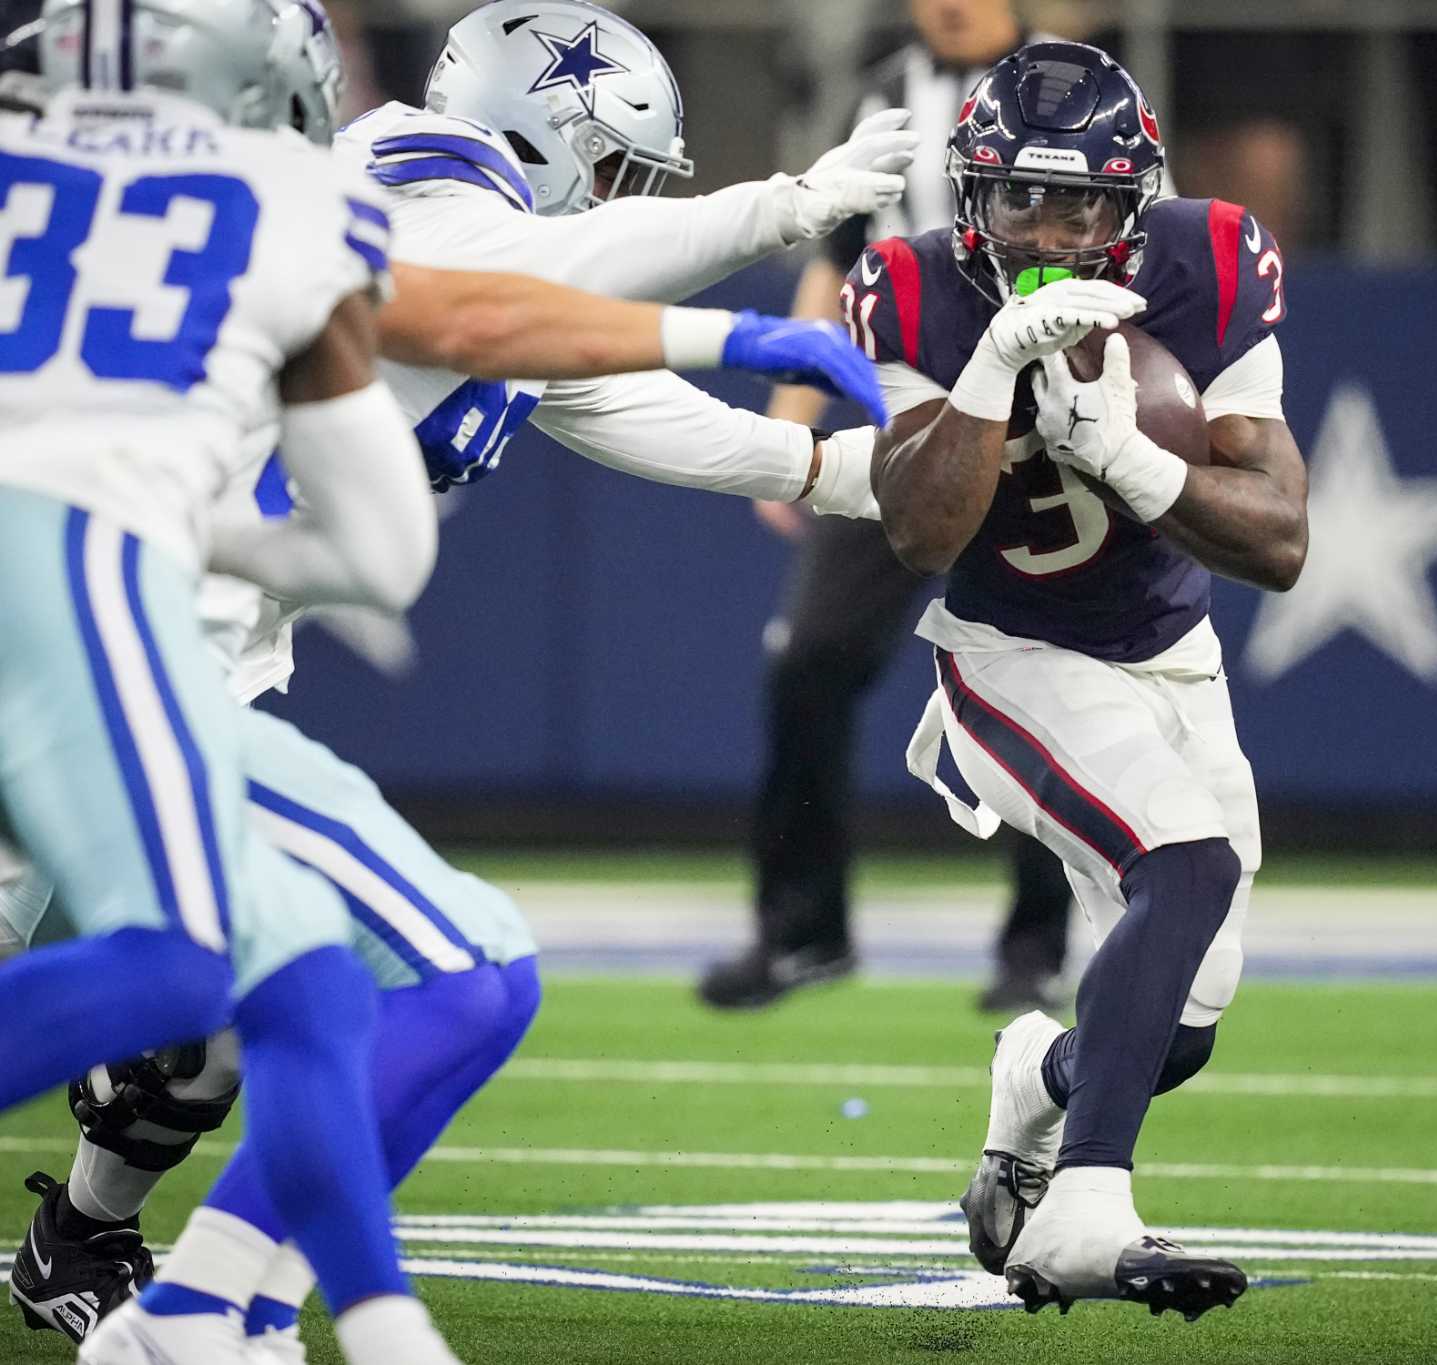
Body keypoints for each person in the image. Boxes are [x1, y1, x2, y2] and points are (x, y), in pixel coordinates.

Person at [5, 2, 907, 1357]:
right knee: (400, 970)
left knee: (279, 981)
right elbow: (522, 293)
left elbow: (564, 357)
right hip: (98, 643)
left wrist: (818, 470)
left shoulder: (340, 224)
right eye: (602, 162)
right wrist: (783, 212)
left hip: (174, 650)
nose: (607, 197)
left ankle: (145, 1272)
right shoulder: (412, 189)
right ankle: (238, 1314)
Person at [0, 0, 463, 1360]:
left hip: (156, 665)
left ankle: (178, 1275)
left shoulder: (257, 231)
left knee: (268, 981)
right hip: (70, 651)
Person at [864, 41, 1308, 1315]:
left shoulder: (1210, 260)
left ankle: (1035, 1089)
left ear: (1137, 199)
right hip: (1007, 651)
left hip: (1171, 648)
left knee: (1178, 1028)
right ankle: (1084, 1213)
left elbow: (1277, 539)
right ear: (970, 196)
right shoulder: (908, 289)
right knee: (1184, 860)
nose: (1050, 229)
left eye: (1082, 202)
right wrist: (993, 369)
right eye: (1018, 197)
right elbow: (919, 536)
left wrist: (1122, 454)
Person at [703, 0, 1077, 1014]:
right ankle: (802, 931)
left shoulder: (1073, 92)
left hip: (1035, 432)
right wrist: (792, 409)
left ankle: (1035, 947)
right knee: (809, 659)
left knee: (1038, 682)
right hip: (901, 425)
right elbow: (841, 250)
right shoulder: (883, 93)